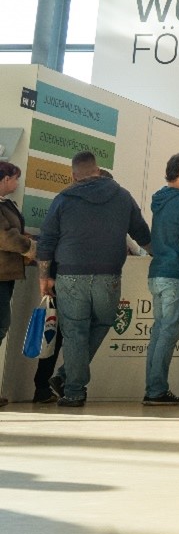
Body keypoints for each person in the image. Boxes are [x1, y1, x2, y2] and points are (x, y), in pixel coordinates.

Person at [36, 151, 152, 407]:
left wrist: (44, 277)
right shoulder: (122, 196)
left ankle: (73, 389)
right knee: (102, 323)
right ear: (98, 170)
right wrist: (162, 259)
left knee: (75, 332)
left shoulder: (63, 199)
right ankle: (68, 379)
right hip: (108, 275)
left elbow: (46, 240)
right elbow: (143, 235)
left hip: (70, 275)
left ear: (73, 175)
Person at [143, 153, 179, 406]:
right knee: (168, 334)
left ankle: (154, 387)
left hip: (157, 272)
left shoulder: (159, 201)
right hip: (177, 273)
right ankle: (156, 389)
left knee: (158, 332)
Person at [0, 161, 37, 408]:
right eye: (14, 178)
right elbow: (4, 237)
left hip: (6, 274)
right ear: (3, 179)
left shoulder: (6, 204)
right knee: (1, 324)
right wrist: (28, 246)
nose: (17, 183)